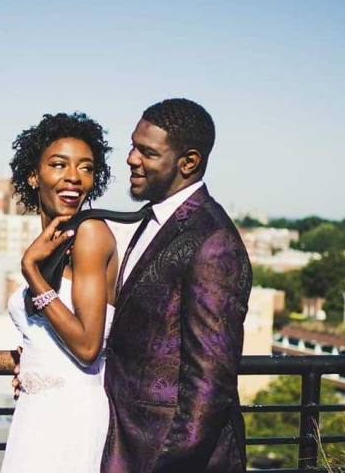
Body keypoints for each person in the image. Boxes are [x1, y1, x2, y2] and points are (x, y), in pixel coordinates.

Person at [0, 112, 118, 473]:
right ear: (33, 175)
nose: (73, 176)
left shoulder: (90, 235)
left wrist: (31, 272)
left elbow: (87, 348)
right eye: (59, 164)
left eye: (85, 168)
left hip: (72, 420)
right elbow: (38, 353)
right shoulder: (52, 244)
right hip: (36, 415)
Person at [101, 98, 253, 473]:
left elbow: (209, 386)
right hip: (128, 447)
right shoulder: (154, 219)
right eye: (133, 145)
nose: (131, 159)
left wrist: (166, 465)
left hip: (166, 459)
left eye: (147, 152)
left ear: (188, 162)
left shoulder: (213, 242)